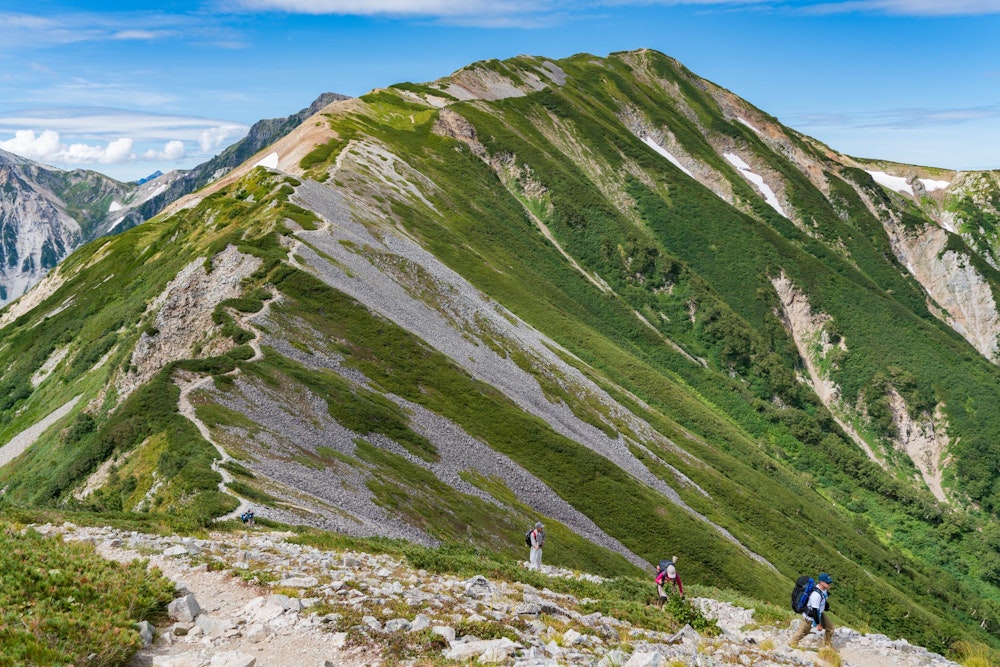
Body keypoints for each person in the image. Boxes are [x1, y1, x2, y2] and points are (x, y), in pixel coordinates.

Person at [790, 572, 834, 648]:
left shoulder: (824, 590)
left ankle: (827, 646)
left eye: (830, 582)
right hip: (810, 617)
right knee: (802, 633)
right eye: (827, 583)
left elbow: (822, 601)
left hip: (819, 614)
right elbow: (814, 610)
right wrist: (818, 624)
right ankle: (792, 645)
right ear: (821, 582)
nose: (829, 584)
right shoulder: (816, 595)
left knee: (830, 628)